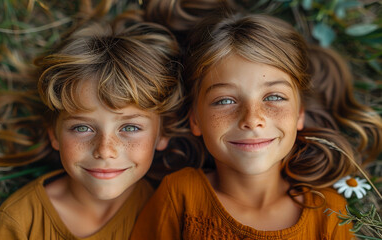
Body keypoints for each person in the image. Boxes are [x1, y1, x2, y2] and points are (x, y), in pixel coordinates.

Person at [130, 13, 359, 239]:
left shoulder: (330, 212)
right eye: (225, 101)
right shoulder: (180, 195)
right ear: (195, 119)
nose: (252, 119)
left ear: (300, 114)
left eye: (274, 97)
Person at [0, 14, 183, 239]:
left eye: (130, 128)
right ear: (54, 134)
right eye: (82, 128)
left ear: (162, 132)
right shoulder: (20, 221)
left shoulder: (169, 214)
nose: (105, 150)